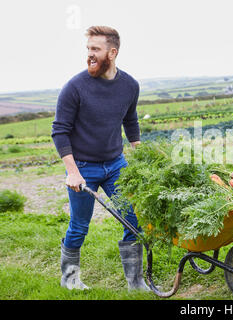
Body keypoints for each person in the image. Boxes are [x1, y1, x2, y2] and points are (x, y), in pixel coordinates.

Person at [51, 25, 149, 291]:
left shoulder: (129, 85)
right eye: (88, 49)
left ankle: (136, 282)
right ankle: (70, 279)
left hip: (116, 165)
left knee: (133, 220)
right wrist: (72, 171)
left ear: (112, 52)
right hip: (83, 168)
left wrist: (139, 151)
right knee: (79, 226)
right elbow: (59, 131)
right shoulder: (74, 87)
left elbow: (130, 119)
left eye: (96, 49)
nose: (90, 55)